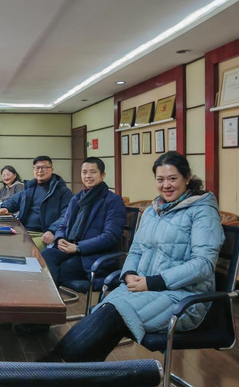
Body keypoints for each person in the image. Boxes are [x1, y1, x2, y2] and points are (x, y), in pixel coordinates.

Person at [45, 151, 225, 362]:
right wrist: (129, 273)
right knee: (102, 309)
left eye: (172, 179)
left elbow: (203, 264)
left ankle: (54, 367)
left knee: (113, 312)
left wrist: (153, 282)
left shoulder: (202, 211)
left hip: (183, 298)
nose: (166, 185)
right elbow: (137, 250)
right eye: (160, 179)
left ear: (186, 178)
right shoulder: (153, 210)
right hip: (144, 288)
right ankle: (71, 370)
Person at [42, 157, 125, 287]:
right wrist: (59, 239)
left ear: (103, 175)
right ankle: (50, 294)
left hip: (92, 255)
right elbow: (63, 225)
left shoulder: (113, 201)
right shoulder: (77, 198)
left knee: (60, 269)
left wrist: (78, 248)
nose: (88, 176)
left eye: (93, 172)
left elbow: (110, 236)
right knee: (46, 254)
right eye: (84, 172)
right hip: (71, 249)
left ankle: (52, 295)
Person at [0, 156, 72, 250]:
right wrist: (5, 208)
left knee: (24, 250)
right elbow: (13, 200)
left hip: (43, 234)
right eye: (37, 168)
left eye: (44, 167)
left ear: (52, 170)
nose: (40, 171)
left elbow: (67, 215)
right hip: (23, 230)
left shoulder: (63, 191)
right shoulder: (30, 188)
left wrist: (52, 231)